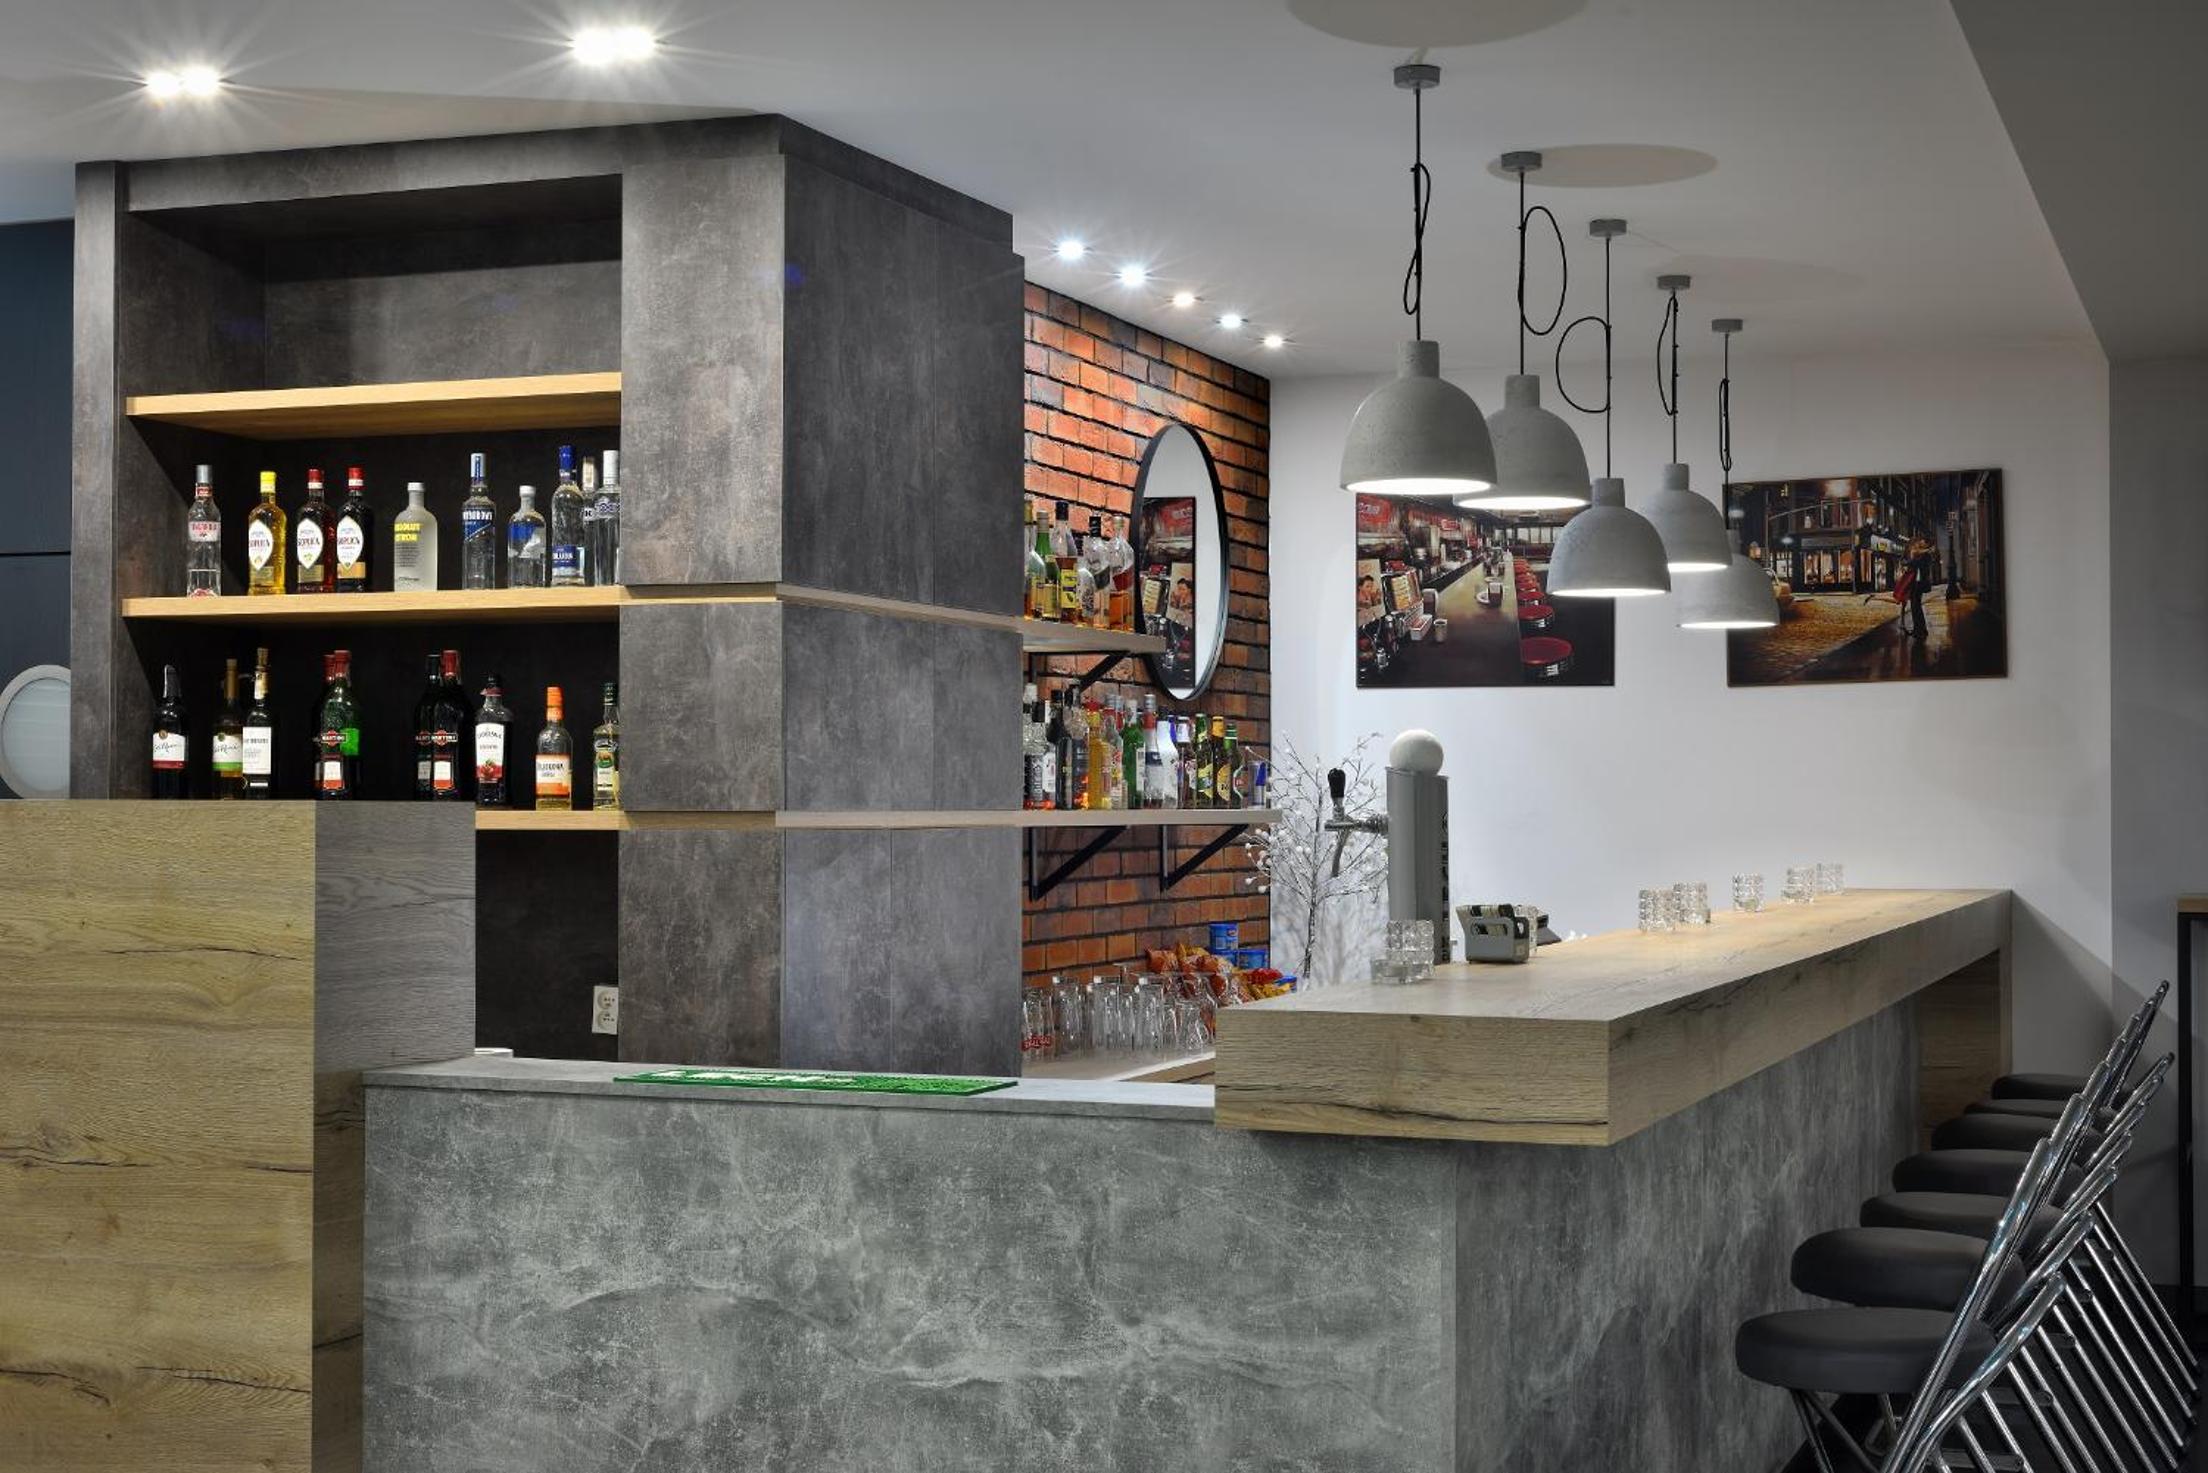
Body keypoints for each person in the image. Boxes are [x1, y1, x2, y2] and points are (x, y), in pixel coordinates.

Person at [1902, 536, 1936, 639]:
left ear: (1926, 544)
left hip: (1919, 583)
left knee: (1916, 606)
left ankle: (1919, 630)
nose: (1920, 542)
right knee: (1915, 606)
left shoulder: (1926, 555)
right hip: (1916, 583)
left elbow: (1915, 564)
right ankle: (1920, 629)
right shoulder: (1922, 554)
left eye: (1922, 542)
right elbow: (1909, 562)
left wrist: (1911, 558)